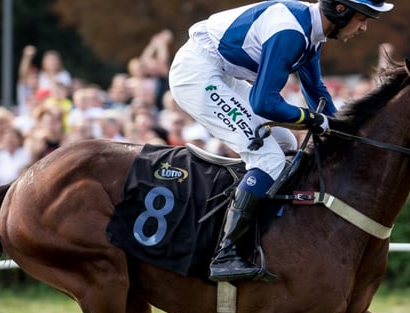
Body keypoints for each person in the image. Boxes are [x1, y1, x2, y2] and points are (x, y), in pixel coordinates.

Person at [168, 0, 393, 281]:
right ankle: (225, 254)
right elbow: (264, 103)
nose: (364, 27)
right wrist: (313, 120)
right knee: (268, 158)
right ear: (340, 10)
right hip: (198, 73)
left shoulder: (312, 30)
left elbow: (316, 90)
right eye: (362, 18)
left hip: (220, 71)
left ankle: (254, 226)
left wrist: (346, 133)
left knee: (285, 141)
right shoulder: (291, 33)